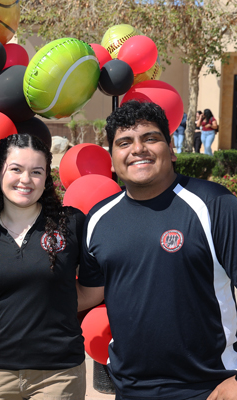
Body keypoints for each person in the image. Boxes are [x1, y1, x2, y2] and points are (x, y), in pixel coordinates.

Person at [77, 100, 237, 400]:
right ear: (112, 159)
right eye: (124, 142)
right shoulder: (99, 218)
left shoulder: (214, 205)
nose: (138, 149)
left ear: (171, 149)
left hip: (210, 388)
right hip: (130, 390)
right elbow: (89, 293)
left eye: (150, 138)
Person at [0, 133, 86, 400]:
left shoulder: (72, 224)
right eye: (16, 169)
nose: (25, 180)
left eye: (36, 171)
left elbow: (91, 289)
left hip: (60, 373)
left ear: (46, 178)